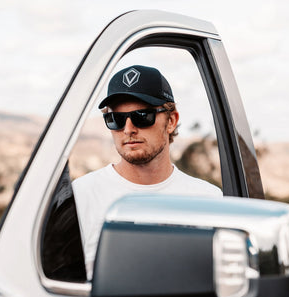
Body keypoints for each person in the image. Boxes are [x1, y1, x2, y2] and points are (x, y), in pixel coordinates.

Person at [72, 65, 222, 279]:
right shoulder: (80, 196)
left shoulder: (209, 200)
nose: (128, 129)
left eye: (142, 116)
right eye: (116, 119)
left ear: (171, 121)